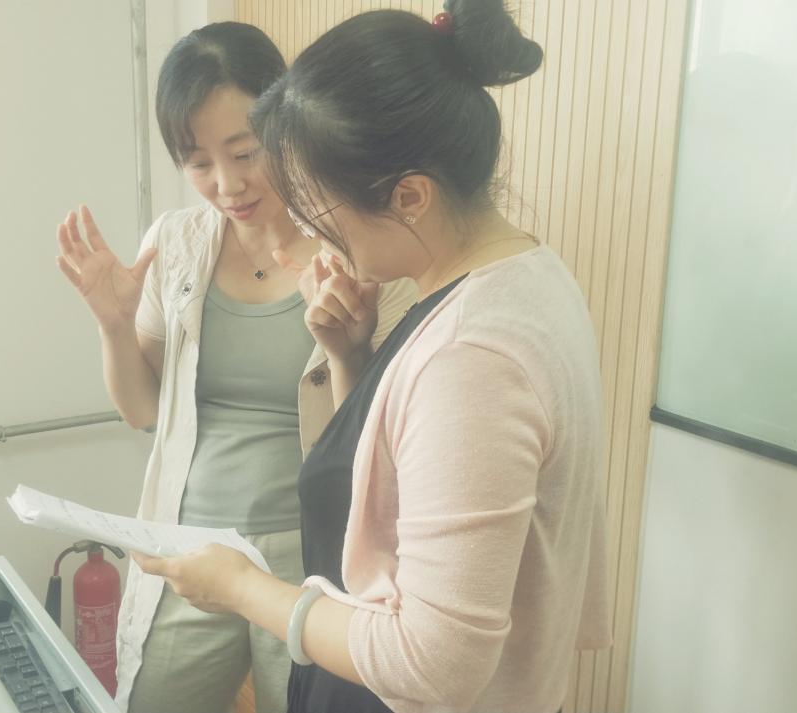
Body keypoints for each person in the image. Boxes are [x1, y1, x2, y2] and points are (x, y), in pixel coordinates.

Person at [131, 2, 613, 712]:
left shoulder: (470, 357)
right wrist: (352, 359)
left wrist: (242, 588)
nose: (311, 228)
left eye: (318, 205)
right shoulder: (525, 274)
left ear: (409, 196)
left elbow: (431, 664)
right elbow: (412, 487)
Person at [54, 21, 417, 713]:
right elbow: (141, 411)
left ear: (286, 124)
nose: (227, 184)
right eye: (198, 163)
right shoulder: (177, 242)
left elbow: (378, 440)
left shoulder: (357, 248)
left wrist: (351, 343)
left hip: (308, 558)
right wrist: (113, 323)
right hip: (190, 545)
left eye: (245, 151)